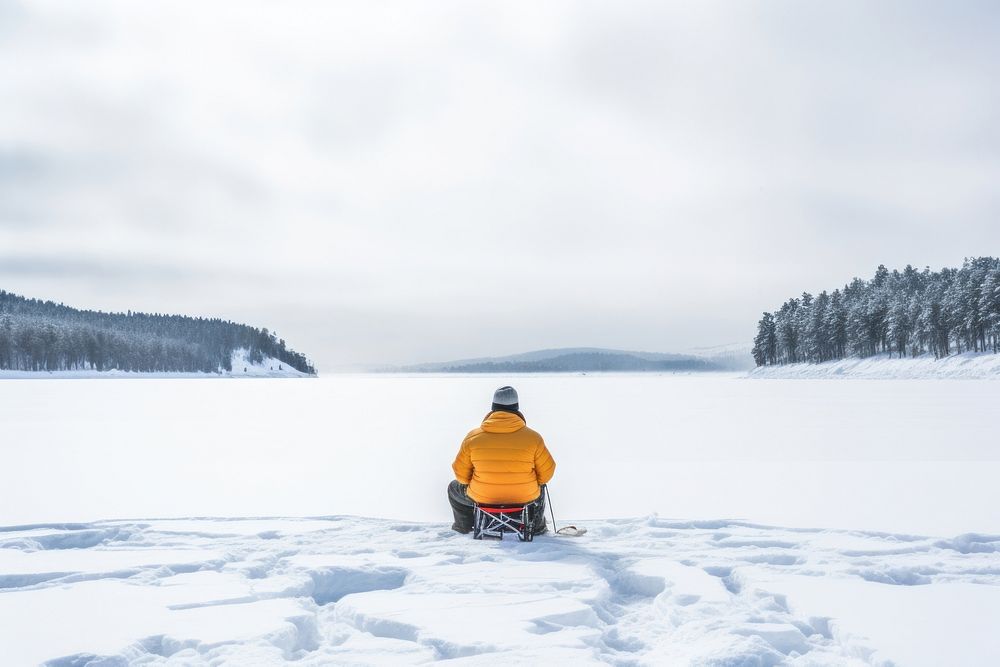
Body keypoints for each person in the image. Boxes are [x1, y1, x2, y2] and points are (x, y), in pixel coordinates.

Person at [448, 386, 556, 534]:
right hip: (523, 498)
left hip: (483, 497)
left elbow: (461, 475)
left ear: (492, 409)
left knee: (454, 487)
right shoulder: (533, 438)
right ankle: (537, 527)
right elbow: (546, 475)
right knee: (540, 487)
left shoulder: (473, 437)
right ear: (517, 409)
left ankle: (464, 527)